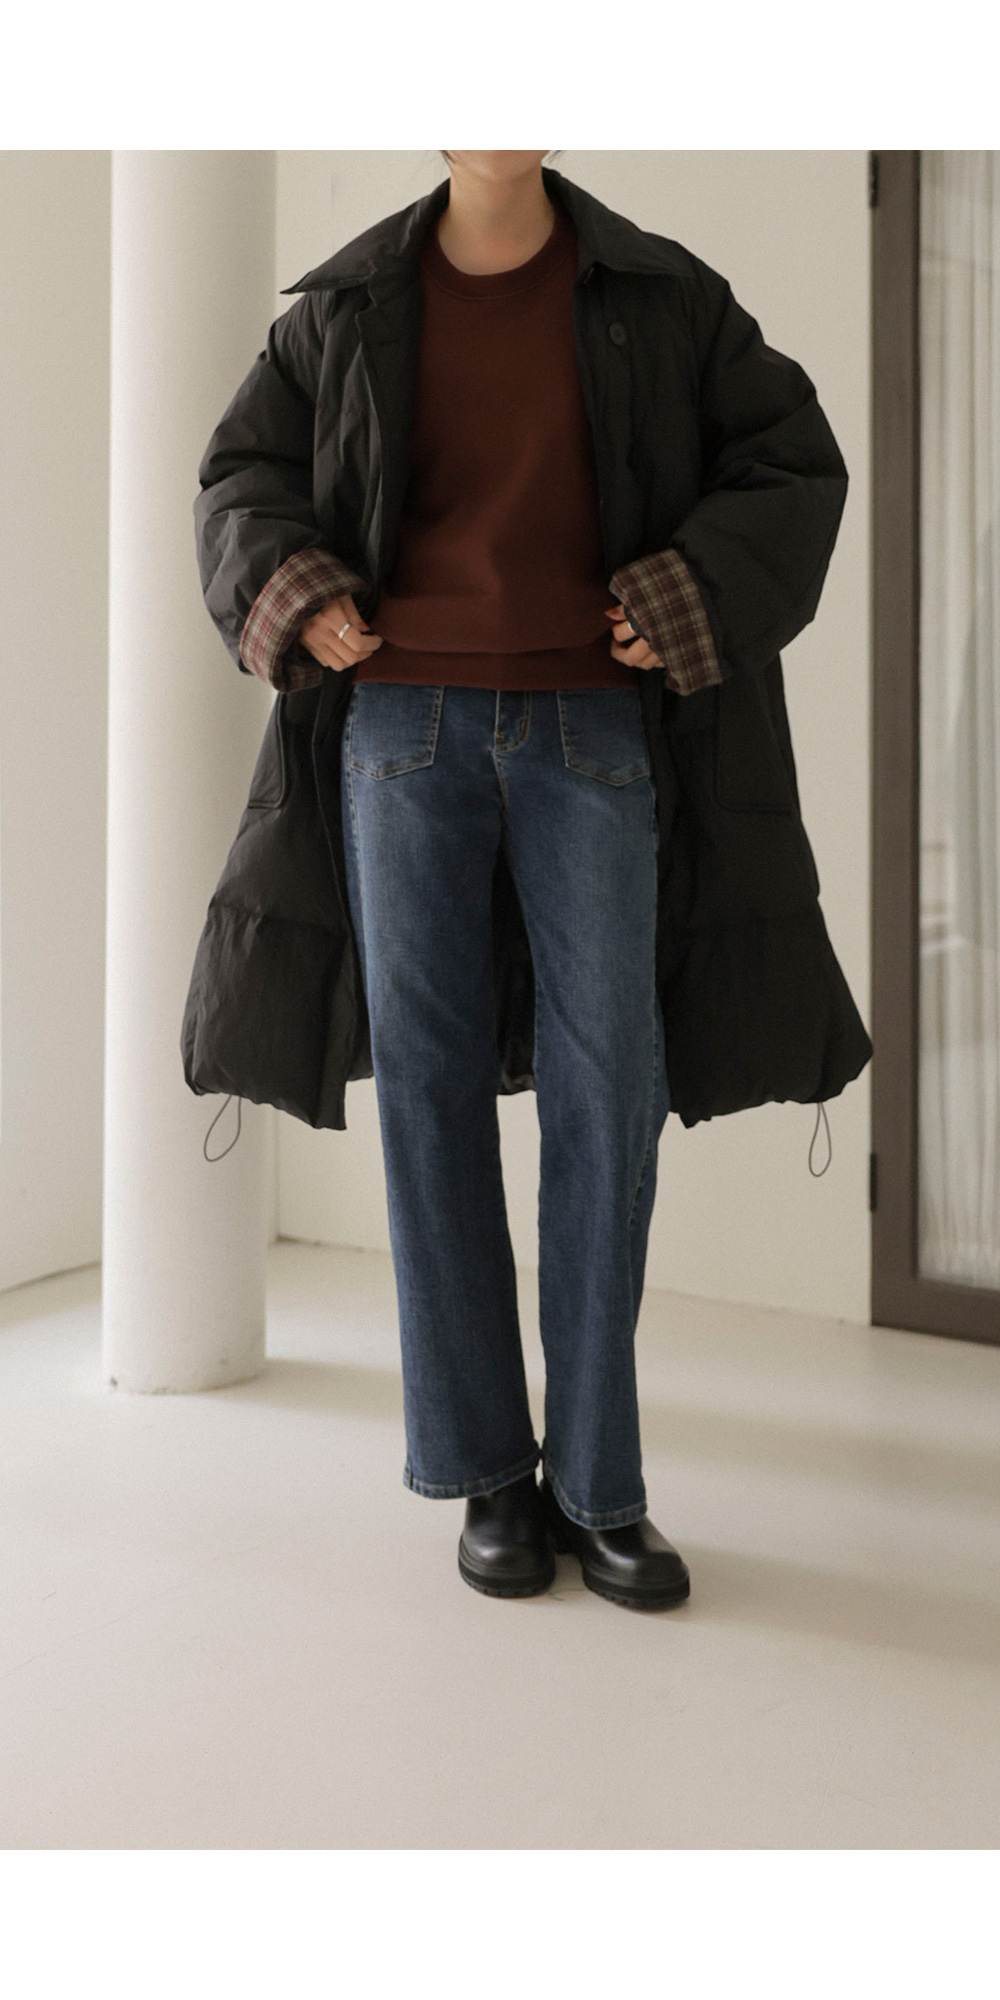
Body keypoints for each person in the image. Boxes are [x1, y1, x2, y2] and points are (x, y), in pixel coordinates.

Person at [188, 149, 861, 1612]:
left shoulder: (665, 297)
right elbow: (240, 478)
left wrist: (689, 592)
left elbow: (795, 463)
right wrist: (298, 592)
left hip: (595, 731)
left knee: (609, 1088)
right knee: (427, 1089)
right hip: (400, 731)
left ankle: (603, 1488)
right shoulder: (343, 307)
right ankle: (486, 1472)